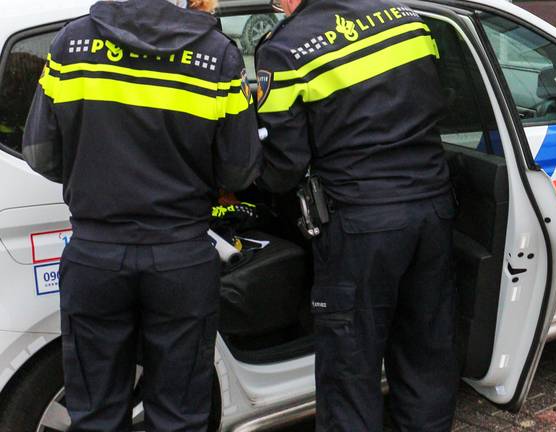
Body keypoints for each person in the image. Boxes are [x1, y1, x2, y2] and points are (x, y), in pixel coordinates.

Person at [22, 0, 262, 430]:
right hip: (179, 257)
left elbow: (40, 153)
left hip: (95, 255)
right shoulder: (217, 55)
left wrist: (93, 178)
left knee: (94, 412)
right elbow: (239, 169)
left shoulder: (71, 43)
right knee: (179, 415)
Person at [255, 0, 457, 430]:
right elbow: (447, 95)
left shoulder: (286, 49)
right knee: (426, 356)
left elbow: (283, 166)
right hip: (432, 210)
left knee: (351, 370)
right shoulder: (408, 19)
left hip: (362, 227)